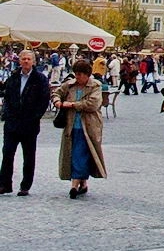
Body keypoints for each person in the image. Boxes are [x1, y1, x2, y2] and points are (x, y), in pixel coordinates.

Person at [52, 59, 107, 198]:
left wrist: (72, 105)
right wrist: (57, 101)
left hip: (88, 127)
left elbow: (92, 104)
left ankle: (74, 185)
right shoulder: (70, 85)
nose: (78, 77)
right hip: (71, 126)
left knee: (81, 154)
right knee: (74, 154)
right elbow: (56, 93)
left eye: (81, 74)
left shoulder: (95, 86)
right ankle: (83, 183)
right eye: (76, 74)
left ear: (87, 74)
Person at [0, 50, 51, 196]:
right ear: (20, 61)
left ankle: (25, 185)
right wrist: (7, 114)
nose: (26, 61)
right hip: (12, 123)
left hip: (30, 124)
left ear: (33, 61)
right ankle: (4, 184)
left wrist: (34, 117)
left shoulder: (40, 79)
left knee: (28, 156)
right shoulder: (14, 77)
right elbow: (7, 96)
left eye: (29, 59)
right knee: (7, 153)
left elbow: (44, 100)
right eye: (24, 59)